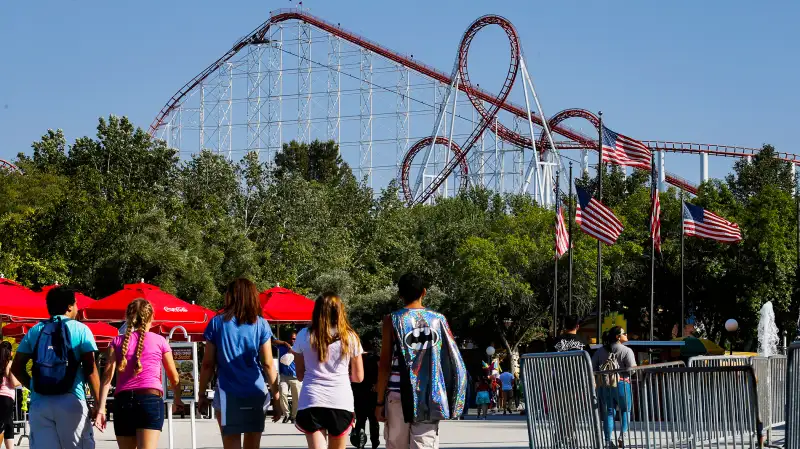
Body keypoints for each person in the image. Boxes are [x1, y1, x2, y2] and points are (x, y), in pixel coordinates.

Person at [376, 273, 467, 449]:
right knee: (425, 444)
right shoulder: (438, 319)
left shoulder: (392, 320)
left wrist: (379, 401)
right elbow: (450, 357)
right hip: (429, 394)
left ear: (400, 294)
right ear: (424, 292)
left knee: (396, 444)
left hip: (397, 393)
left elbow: (385, 364)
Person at [10, 285, 100, 449]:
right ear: (69, 306)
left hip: (40, 403)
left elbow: (16, 367)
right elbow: (90, 369)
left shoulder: (35, 330)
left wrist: (33, 386)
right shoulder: (81, 330)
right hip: (71, 400)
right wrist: (99, 405)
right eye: (76, 304)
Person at [198, 278, 281, 449]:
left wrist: (201, 395)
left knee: (231, 443)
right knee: (253, 444)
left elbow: (207, 364)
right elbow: (268, 364)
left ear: (231, 296)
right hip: (256, 390)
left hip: (228, 392)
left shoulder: (216, 323)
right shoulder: (261, 324)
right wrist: (277, 398)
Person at [95, 298, 183, 449]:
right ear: (151, 317)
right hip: (150, 400)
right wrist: (177, 399)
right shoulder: (160, 341)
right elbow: (174, 377)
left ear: (129, 317)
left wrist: (101, 409)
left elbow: (106, 378)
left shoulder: (116, 342)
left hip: (122, 402)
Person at [292, 293, 364, 449]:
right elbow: (358, 377)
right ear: (340, 311)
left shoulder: (304, 335)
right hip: (340, 400)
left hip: (311, 400)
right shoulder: (351, 337)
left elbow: (299, 375)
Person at [591, 326, 636, 449]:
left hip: (605, 385)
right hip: (622, 383)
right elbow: (632, 370)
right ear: (618, 337)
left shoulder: (600, 351)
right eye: (624, 333)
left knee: (609, 413)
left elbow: (593, 367)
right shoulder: (627, 350)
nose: (626, 335)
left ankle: (607, 441)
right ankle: (623, 436)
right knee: (625, 410)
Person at [351, 339, 379, 449]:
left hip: (358, 392)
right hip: (373, 392)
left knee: (361, 420)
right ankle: (375, 443)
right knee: (373, 420)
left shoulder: (357, 358)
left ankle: (360, 443)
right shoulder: (376, 359)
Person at [273, 332, 301, 424]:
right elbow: (272, 341)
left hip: (295, 376)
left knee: (296, 397)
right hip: (284, 376)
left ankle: (294, 416)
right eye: (292, 339)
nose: (293, 341)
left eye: (295, 339)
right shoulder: (282, 347)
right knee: (282, 393)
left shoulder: (299, 348)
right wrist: (284, 343)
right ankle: (286, 414)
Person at [0, 342, 19, 449]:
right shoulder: (9, 363)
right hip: (6, 398)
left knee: (8, 425)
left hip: (2, 397)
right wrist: (23, 380)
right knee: (2, 426)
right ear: (10, 352)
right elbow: (14, 383)